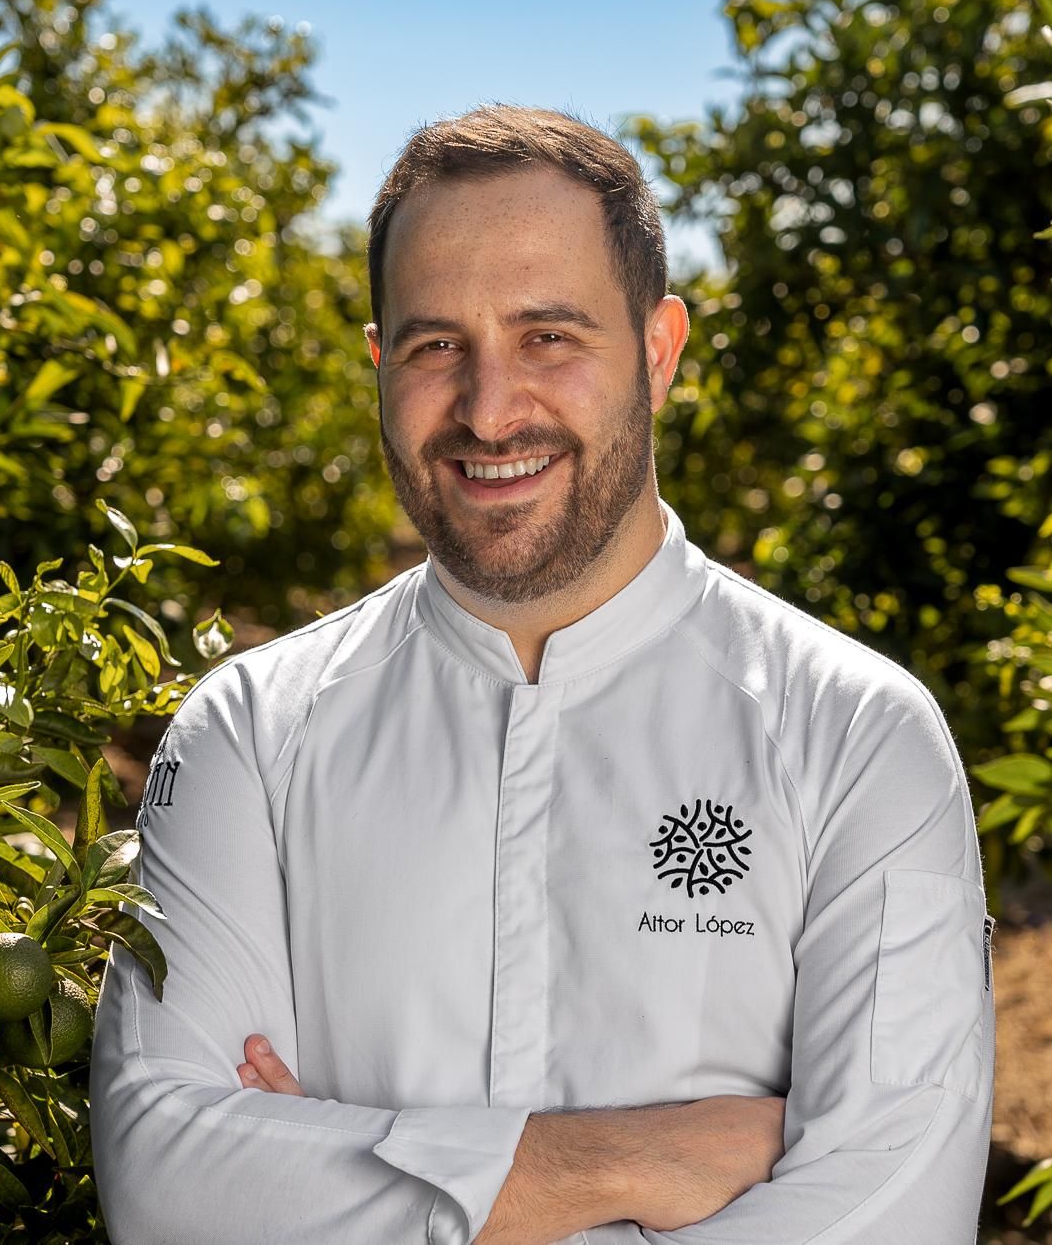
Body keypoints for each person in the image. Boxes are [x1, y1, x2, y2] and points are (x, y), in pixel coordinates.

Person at [89, 104, 995, 1245]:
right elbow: (165, 1189)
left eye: (548, 336)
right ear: (379, 363)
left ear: (659, 353)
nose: (486, 407)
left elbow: (893, 1223)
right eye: (433, 345)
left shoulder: (859, 737)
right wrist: (622, 1164)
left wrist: (330, 1175)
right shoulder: (247, 736)